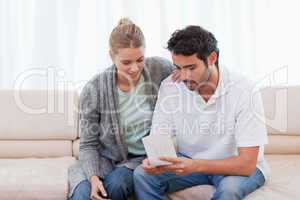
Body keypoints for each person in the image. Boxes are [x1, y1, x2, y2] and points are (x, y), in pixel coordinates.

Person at [134, 25, 270, 200]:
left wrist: (195, 166)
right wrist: (155, 162)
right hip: (190, 160)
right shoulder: (171, 87)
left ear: (212, 58)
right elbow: (159, 137)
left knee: (229, 190)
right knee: (142, 176)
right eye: (178, 67)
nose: (183, 76)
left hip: (234, 165)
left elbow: (247, 164)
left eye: (191, 68)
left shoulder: (244, 90)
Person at [68, 18, 176, 200]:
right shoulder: (94, 88)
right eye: (126, 62)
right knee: (82, 193)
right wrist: (94, 178)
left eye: (140, 60)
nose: (134, 68)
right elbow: (87, 145)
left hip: (138, 159)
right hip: (104, 158)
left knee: (115, 186)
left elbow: (188, 74)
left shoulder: (160, 69)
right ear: (111, 56)